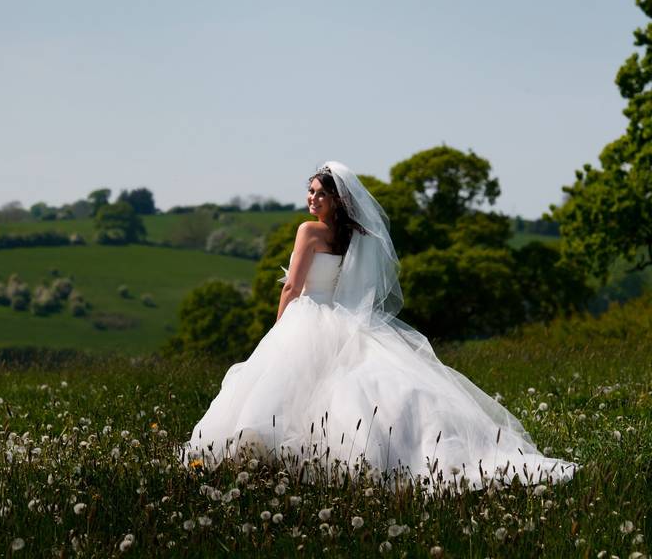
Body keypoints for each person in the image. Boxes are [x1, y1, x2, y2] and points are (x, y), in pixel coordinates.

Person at [181, 161, 575, 489]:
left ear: (336, 199)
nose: (312, 198)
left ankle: (275, 464)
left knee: (279, 394)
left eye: (320, 193)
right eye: (311, 191)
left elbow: (294, 287)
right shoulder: (350, 236)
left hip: (307, 315)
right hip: (338, 315)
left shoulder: (309, 230)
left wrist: (276, 329)